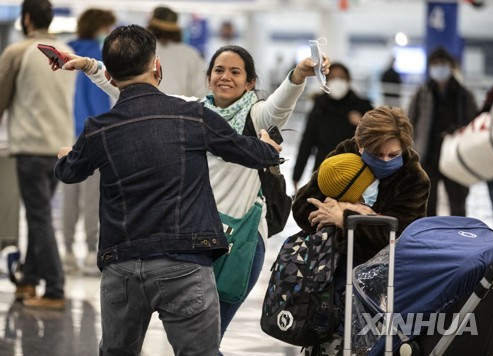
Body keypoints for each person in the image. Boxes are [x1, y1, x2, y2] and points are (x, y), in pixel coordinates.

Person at [55, 40, 329, 353]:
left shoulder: (255, 116)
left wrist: (299, 74)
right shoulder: (192, 112)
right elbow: (133, 94)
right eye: (219, 70)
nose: (225, 76)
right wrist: (90, 67)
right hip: (192, 240)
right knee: (202, 347)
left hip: (235, 244)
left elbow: (279, 105)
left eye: (235, 72)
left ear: (250, 82)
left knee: (208, 339)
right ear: (208, 75)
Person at [293, 106, 430, 356]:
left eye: (394, 154)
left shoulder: (414, 178)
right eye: (378, 154)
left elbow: (400, 237)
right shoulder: (344, 156)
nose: (386, 161)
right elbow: (303, 207)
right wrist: (355, 212)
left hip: (379, 286)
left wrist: (345, 217)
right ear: (360, 145)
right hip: (329, 278)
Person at [0, 0, 76, 309]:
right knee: (40, 216)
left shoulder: (17, 52)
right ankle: (29, 281)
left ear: (27, 19)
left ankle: (56, 289)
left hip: (31, 147)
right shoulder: (67, 52)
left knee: (39, 217)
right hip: (60, 148)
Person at [63, 8, 116, 273]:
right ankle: (91, 251)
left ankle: (68, 251)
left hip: (65, 132)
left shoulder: (65, 50)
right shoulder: (98, 54)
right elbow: (100, 100)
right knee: (93, 195)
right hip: (93, 132)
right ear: (100, 26)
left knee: (68, 193)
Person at [407, 47, 478, 217]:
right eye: (435, 64)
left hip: (455, 154)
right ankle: (430, 238)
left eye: (443, 63)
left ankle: (459, 237)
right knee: (426, 202)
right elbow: (410, 121)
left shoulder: (464, 94)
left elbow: (473, 120)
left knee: (458, 203)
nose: (439, 67)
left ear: (451, 66)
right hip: (428, 154)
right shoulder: (422, 93)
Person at [292, 62, 373, 191]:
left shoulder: (362, 106)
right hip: (323, 170)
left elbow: (377, 139)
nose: (337, 81)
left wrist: (362, 123)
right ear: (326, 81)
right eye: (333, 77)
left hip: (355, 173)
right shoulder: (320, 106)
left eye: (341, 77)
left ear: (349, 80)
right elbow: (307, 142)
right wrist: (297, 175)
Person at [146, 5, 207, 98]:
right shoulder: (190, 54)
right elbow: (201, 91)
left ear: (151, 26)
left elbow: (121, 86)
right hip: (181, 110)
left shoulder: (141, 51)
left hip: (143, 110)